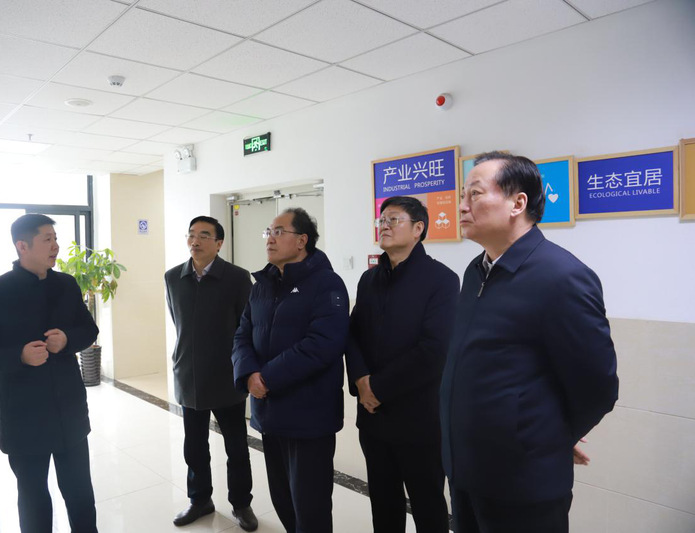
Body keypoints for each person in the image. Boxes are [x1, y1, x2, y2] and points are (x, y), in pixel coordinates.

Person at [439, 152, 619, 533]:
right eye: (462, 195)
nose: (462, 206)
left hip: (522, 484)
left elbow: (598, 386)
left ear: (517, 203)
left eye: (474, 194)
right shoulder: (475, 272)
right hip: (467, 473)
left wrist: (552, 434)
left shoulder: (561, 277)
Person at [0, 214, 99, 533]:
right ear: (22, 246)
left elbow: (89, 329)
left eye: (55, 238)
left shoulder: (66, 284)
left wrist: (67, 340)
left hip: (69, 411)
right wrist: (20, 356)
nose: (56, 246)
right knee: (33, 498)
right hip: (24, 416)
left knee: (80, 494)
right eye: (47, 239)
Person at [232, 207, 349, 533]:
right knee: (282, 499)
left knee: (310, 507)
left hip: (309, 417)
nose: (270, 238)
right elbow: (242, 334)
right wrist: (248, 374)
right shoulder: (262, 284)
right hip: (270, 413)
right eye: (268, 232)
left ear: (302, 241)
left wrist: (266, 377)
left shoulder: (326, 284)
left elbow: (322, 344)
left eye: (278, 231)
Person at [346, 196, 459, 533]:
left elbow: (434, 350)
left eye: (393, 219)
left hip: (419, 418)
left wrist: (376, 388)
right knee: (383, 503)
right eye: (381, 220)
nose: (384, 225)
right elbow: (352, 335)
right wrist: (361, 381)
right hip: (373, 416)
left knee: (427, 505)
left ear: (418, 228)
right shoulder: (369, 279)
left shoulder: (442, 279)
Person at [164, 216, 257, 531]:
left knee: (236, 446)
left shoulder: (237, 278)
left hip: (227, 375)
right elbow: (179, 323)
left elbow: (247, 327)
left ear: (219, 243)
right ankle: (200, 499)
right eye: (191, 234)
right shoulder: (173, 277)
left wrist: (246, 369)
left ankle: (241, 503)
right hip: (189, 375)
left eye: (204, 235)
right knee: (194, 446)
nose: (196, 241)